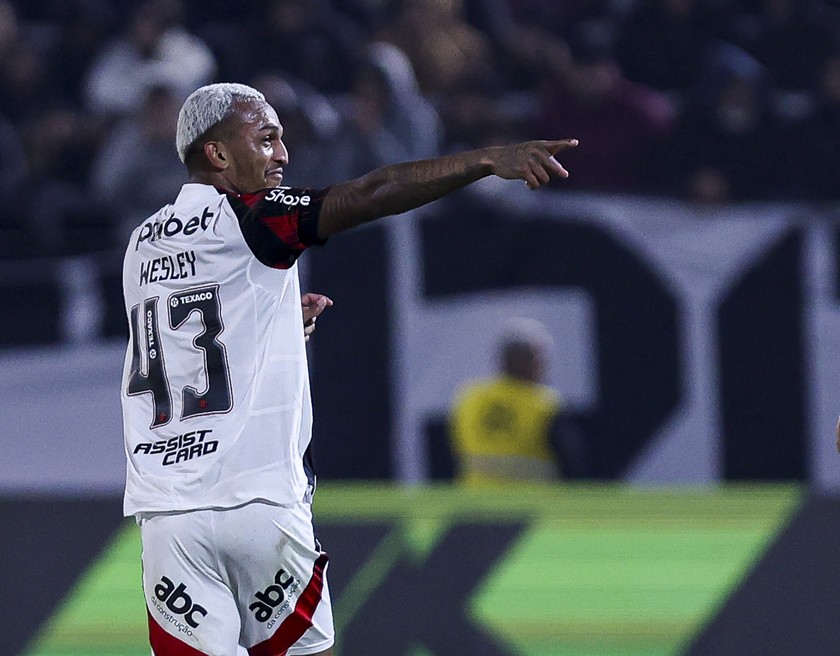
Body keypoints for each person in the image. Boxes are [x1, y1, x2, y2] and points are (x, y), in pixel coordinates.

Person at [120, 82, 577, 656]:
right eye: (266, 139)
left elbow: (191, 341)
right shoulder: (252, 220)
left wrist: (280, 320)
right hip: (258, 503)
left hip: (168, 515)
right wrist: (483, 160)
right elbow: (371, 191)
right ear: (217, 155)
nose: (283, 154)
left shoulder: (141, 244)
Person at [449, 318, 589, 484]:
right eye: (541, 360)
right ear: (531, 363)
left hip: (476, 503)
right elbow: (574, 466)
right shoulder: (545, 405)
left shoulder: (468, 397)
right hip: (532, 505)